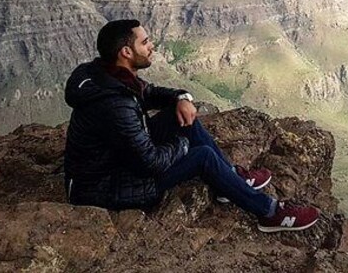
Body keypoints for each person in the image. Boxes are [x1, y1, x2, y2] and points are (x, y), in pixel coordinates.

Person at [63, 19, 320, 232]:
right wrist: (183, 145)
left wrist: (181, 98)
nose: (152, 46)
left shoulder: (106, 75)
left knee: (183, 118)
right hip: (107, 187)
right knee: (203, 156)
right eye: (145, 42)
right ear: (126, 53)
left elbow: (150, 93)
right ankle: (270, 213)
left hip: (116, 161)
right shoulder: (115, 103)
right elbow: (150, 163)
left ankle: (229, 178)